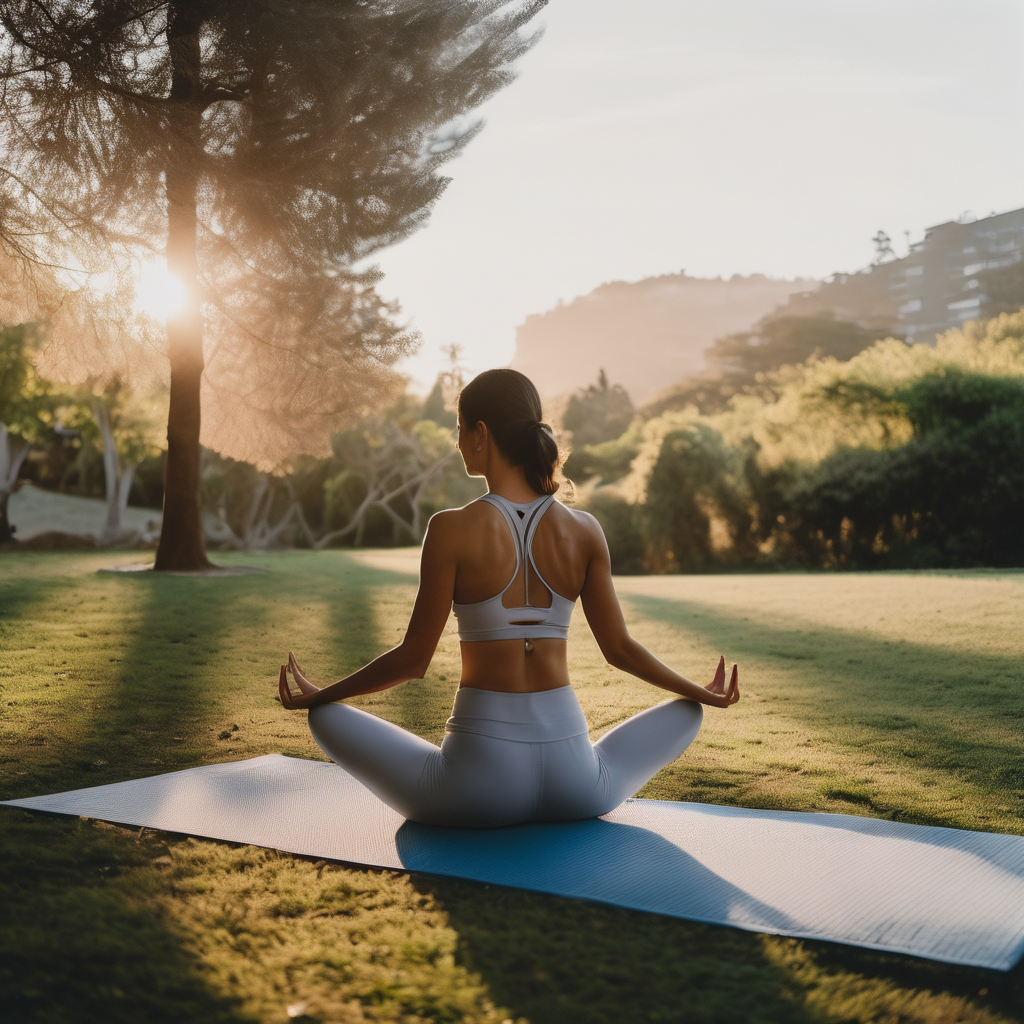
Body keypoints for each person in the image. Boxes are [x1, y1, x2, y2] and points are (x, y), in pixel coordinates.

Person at [278, 368, 739, 827]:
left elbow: (412, 661)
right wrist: (700, 692)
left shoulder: (450, 529)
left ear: (480, 434)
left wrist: (323, 696)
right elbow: (619, 650)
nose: (458, 442)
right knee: (687, 712)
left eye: (460, 430)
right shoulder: (585, 530)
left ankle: (326, 711)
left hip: (476, 789)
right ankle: (690, 704)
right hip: (577, 784)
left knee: (326, 719)